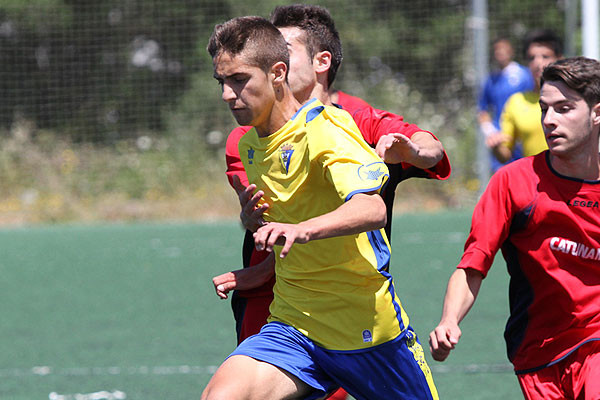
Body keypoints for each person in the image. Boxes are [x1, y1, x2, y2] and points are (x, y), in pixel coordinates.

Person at [214, 6, 451, 398]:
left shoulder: (340, 125)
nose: (227, 94)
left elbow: (374, 208)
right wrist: (257, 235)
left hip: (366, 329)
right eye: (222, 81)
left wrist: (298, 231)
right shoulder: (250, 142)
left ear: (279, 70)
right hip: (293, 323)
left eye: (238, 79)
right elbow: (284, 216)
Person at [429, 56, 600, 399]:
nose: (549, 121)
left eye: (564, 108)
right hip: (539, 353)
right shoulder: (514, 182)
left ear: (597, 112)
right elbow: (473, 264)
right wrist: (449, 320)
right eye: (544, 108)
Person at [487, 29, 562, 163]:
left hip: (574, 179)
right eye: (532, 58)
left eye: (545, 56)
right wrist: (496, 146)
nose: (538, 63)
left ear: (559, 58)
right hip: (536, 182)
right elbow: (504, 155)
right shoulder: (516, 102)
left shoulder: (576, 98)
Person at [478, 37, 534, 171]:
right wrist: (490, 132)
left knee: (524, 172)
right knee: (502, 174)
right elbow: (482, 110)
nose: (500, 53)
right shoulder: (491, 79)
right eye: (497, 50)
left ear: (511, 52)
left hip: (520, 134)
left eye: (503, 50)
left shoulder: (525, 75)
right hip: (500, 137)